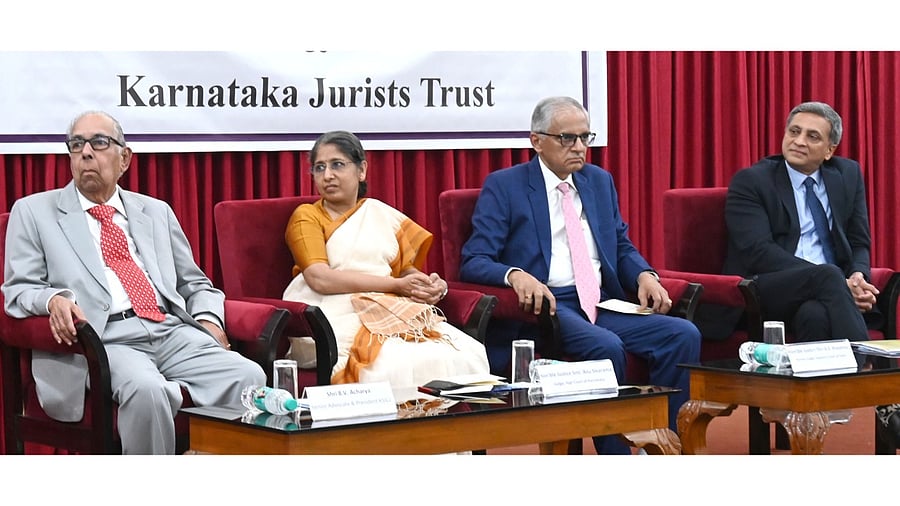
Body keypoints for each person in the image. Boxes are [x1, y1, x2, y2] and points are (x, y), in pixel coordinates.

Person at [1, 111, 266, 454]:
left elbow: (195, 283)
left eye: (99, 142)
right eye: (77, 144)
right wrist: (54, 299)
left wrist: (209, 321)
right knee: (147, 392)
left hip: (170, 330)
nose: (85, 153)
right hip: (104, 338)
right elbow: (18, 289)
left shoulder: (156, 211)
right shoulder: (34, 212)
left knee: (249, 378)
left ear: (124, 158)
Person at [459, 96, 701, 454]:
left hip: (601, 301)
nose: (579, 147)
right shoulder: (506, 186)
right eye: (567, 138)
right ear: (537, 141)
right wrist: (515, 275)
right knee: (606, 346)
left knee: (682, 334)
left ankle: (665, 446)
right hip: (550, 306)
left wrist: (645, 276)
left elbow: (620, 245)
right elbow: (474, 259)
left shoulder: (598, 181)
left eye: (585, 137)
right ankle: (616, 457)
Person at [719, 100, 900, 445]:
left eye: (812, 136)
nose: (799, 141)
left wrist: (858, 276)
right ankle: (880, 393)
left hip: (828, 294)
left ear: (830, 150)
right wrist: (839, 282)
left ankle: (804, 423)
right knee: (828, 276)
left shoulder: (847, 175)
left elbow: (859, 241)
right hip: (765, 288)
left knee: (814, 314)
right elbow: (758, 252)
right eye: (794, 131)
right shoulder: (752, 181)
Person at [282, 130, 489, 388]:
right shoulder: (306, 216)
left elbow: (402, 271)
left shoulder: (380, 214)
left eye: (337, 165)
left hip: (387, 307)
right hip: (328, 313)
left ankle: (449, 415)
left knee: (464, 351)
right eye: (319, 167)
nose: (327, 175)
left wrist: (428, 285)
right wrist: (396, 286)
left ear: (362, 170)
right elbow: (319, 279)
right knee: (396, 362)